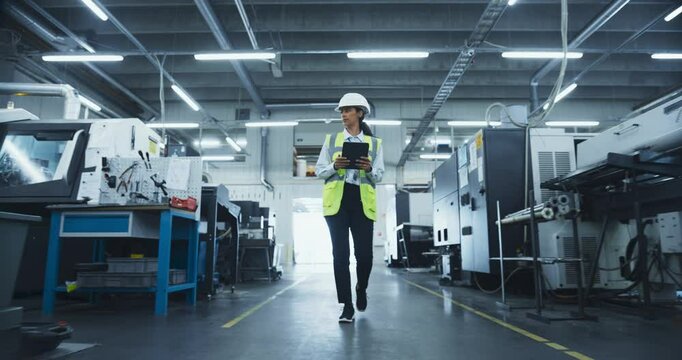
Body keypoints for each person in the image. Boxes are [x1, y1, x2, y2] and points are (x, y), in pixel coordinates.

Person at [315, 93, 385, 323]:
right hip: (337, 203)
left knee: (364, 256)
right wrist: (335, 165)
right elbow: (319, 171)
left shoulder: (375, 144)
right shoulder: (331, 140)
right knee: (340, 256)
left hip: (362, 203)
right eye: (342, 111)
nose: (343, 114)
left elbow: (379, 176)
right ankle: (346, 305)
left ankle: (361, 288)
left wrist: (368, 168)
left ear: (360, 113)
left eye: (348, 110)